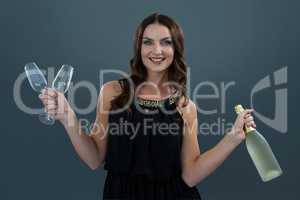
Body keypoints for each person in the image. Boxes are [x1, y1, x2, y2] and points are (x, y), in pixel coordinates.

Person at [39, 13, 256, 200]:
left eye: (166, 42)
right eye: (148, 42)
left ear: (176, 48)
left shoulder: (185, 106)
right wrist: (68, 115)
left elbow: (190, 175)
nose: (157, 50)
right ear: (138, 46)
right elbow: (94, 158)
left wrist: (233, 137)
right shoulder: (113, 92)